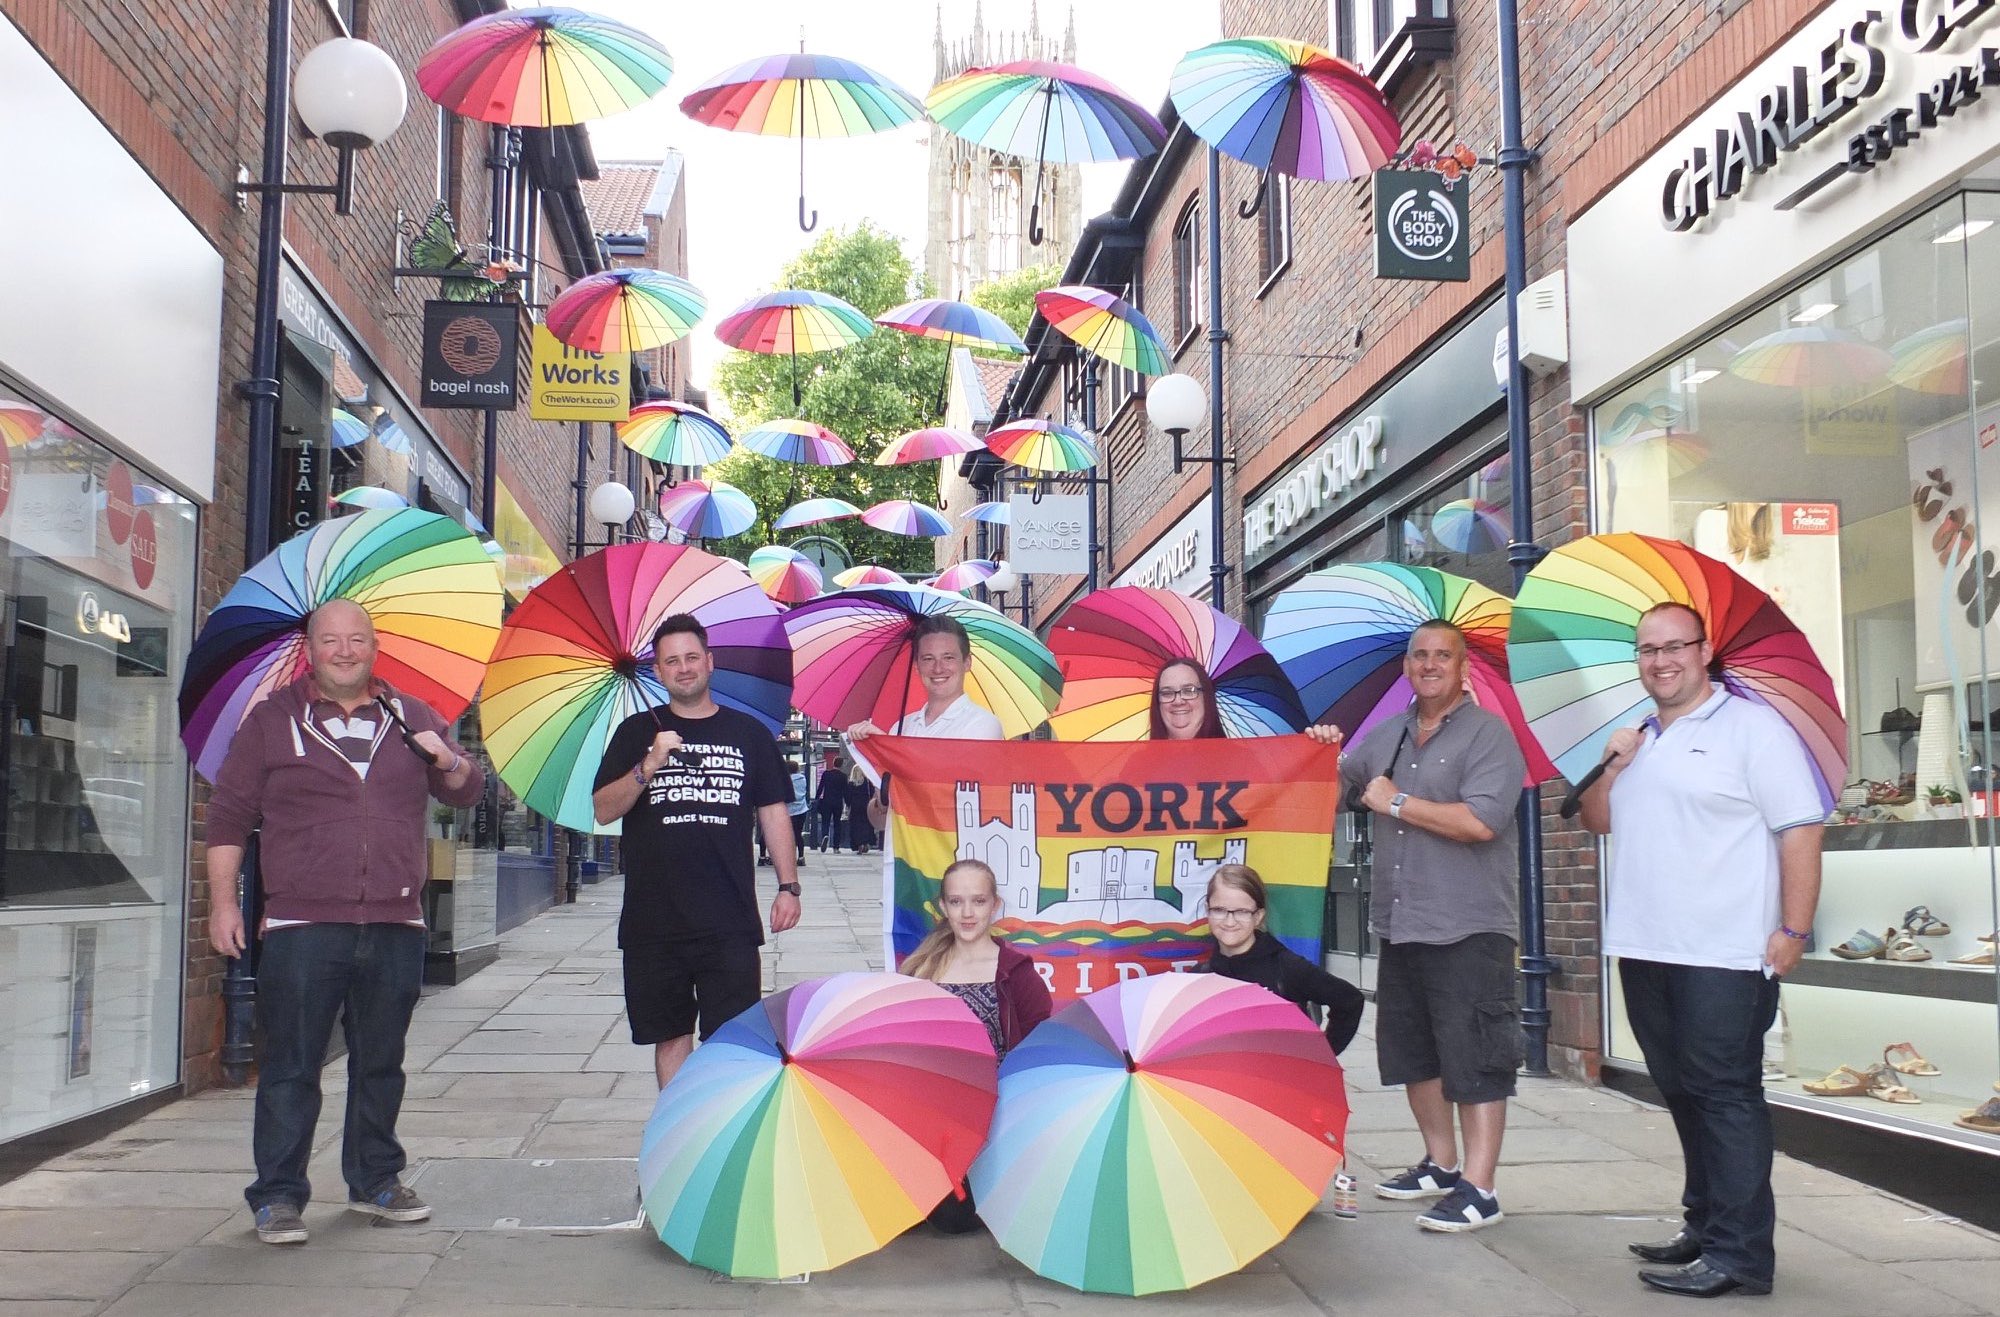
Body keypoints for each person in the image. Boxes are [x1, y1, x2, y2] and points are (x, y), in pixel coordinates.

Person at [205, 599, 484, 1247]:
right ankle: (277, 1194)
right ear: (310, 647)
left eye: (356, 638)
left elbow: (468, 790)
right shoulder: (273, 721)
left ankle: (376, 1180)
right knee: (291, 1064)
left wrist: (446, 758)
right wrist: (223, 903)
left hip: (396, 921)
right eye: (330, 639)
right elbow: (227, 818)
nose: (344, 650)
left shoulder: (412, 716)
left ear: (374, 644)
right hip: (303, 923)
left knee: (382, 1062)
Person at [1577, 602, 1824, 1299]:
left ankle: (1742, 1255)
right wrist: (1612, 764)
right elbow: (1597, 819)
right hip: (1647, 943)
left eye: (1675, 646)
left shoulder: (1754, 729)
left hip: (1725, 947)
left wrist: (1794, 929)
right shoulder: (1640, 736)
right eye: (1647, 649)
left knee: (1725, 1095)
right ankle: (1707, 1224)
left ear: (1705, 649)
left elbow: (1800, 830)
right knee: (1683, 1091)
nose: (1661, 660)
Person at [1338, 619, 1526, 1233]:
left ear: (1462, 665)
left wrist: (1394, 802)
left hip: (1469, 925)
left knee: (1473, 1056)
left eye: (1442, 655)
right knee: (1415, 1054)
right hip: (1402, 922)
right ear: (1406, 668)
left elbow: (1481, 823)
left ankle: (1481, 1187)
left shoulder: (1488, 737)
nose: (1429, 665)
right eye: (1419, 656)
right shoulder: (1387, 737)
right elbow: (1338, 785)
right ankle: (1441, 1165)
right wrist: (1323, 748)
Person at [591, 614, 800, 1090]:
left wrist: (788, 886)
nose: (683, 668)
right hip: (654, 922)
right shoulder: (635, 733)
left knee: (734, 1040)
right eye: (671, 661)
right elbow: (604, 809)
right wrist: (650, 762)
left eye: (691, 657)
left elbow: (773, 812)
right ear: (658, 672)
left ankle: (722, 1142)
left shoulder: (748, 734)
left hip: (728, 919)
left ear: (709, 662)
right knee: (670, 1038)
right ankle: (679, 1145)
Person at [898, 857, 1052, 1232]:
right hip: (935, 1115)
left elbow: (1040, 1056)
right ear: (942, 906)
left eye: (978, 901)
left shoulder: (1017, 974)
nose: (967, 913)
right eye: (956, 901)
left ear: (995, 905)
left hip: (995, 1117)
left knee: (956, 1218)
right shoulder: (920, 970)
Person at [848, 613, 1006, 829]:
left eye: (948, 657)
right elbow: (881, 822)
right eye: (928, 658)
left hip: (957, 859)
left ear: (967, 663)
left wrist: (893, 754)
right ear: (916, 666)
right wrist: (881, 787)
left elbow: (951, 799)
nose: (938, 668)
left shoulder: (984, 725)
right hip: (904, 860)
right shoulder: (901, 727)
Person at [1199, 863, 1363, 1055]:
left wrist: (1322, 1054)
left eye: (1242, 912)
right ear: (1207, 910)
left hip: (1282, 1077)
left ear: (1258, 916)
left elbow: (1349, 1000)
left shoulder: (1286, 967)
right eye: (1219, 910)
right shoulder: (1201, 976)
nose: (1229, 921)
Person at [1148, 658, 1226, 740]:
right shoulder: (1140, 753)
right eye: (1167, 693)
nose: (1178, 701)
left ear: (1206, 698)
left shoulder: (1237, 752)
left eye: (1189, 691)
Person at [813, 753, 846, 852]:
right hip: (838, 802)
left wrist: (816, 798)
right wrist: (848, 803)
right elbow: (846, 791)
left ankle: (825, 836)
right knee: (837, 824)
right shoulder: (843, 776)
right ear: (841, 765)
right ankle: (836, 847)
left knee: (825, 821)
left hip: (826, 801)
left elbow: (820, 788)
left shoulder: (826, 774)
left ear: (833, 763)